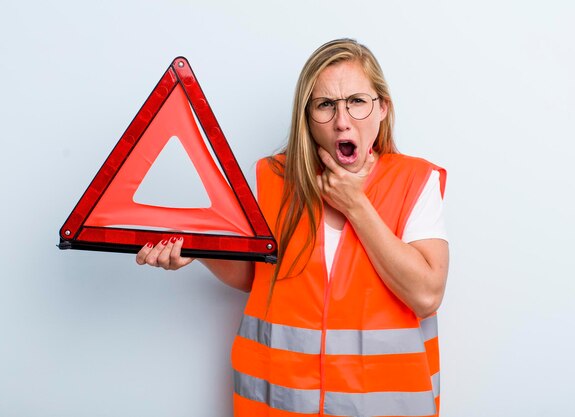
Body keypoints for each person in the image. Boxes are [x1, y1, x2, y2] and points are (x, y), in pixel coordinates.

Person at [137, 38, 449, 417]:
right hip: (279, 406)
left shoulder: (415, 181)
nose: (342, 120)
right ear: (306, 116)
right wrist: (198, 250)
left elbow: (426, 295)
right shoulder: (273, 179)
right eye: (325, 105)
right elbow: (257, 275)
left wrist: (355, 205)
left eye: (357, 101)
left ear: (382, 108)